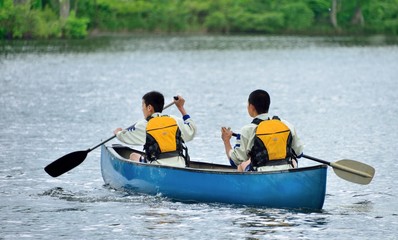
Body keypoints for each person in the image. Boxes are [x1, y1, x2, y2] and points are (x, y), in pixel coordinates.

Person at [221, 89, 304, 172]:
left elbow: (234, 161)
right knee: (293, 160)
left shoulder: (248, 130)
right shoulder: (286, 125)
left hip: (261, 174)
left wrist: (226, 141)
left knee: (241, 163)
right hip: (287, 171)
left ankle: (243, 184)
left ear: (251, 107)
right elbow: (299, 153)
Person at [113, 91, 196, 168]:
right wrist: (181, 107)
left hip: (157, 167)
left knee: (133, 156)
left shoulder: (144, 125)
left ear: (149, 107)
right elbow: (192, 130)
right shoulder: (175, 120)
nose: (142, 109)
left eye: (143, 105)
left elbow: (125, 137)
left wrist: (118, 133)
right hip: (180, 165)